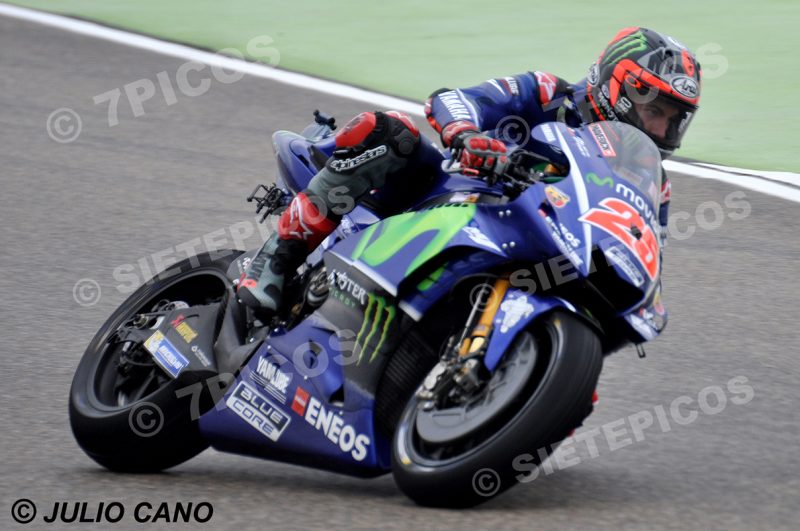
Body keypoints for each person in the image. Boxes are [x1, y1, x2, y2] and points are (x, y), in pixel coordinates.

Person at [237, 26, 702, 311]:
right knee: (390, 132)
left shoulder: (647, 184)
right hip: (442, 194)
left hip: (527, 242)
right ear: (616, 83)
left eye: (671, 118)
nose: (658, 124)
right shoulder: (546, 93)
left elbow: (645, 251)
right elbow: (452, 99)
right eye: (652, 108)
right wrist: (466, 134)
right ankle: (274, 261)